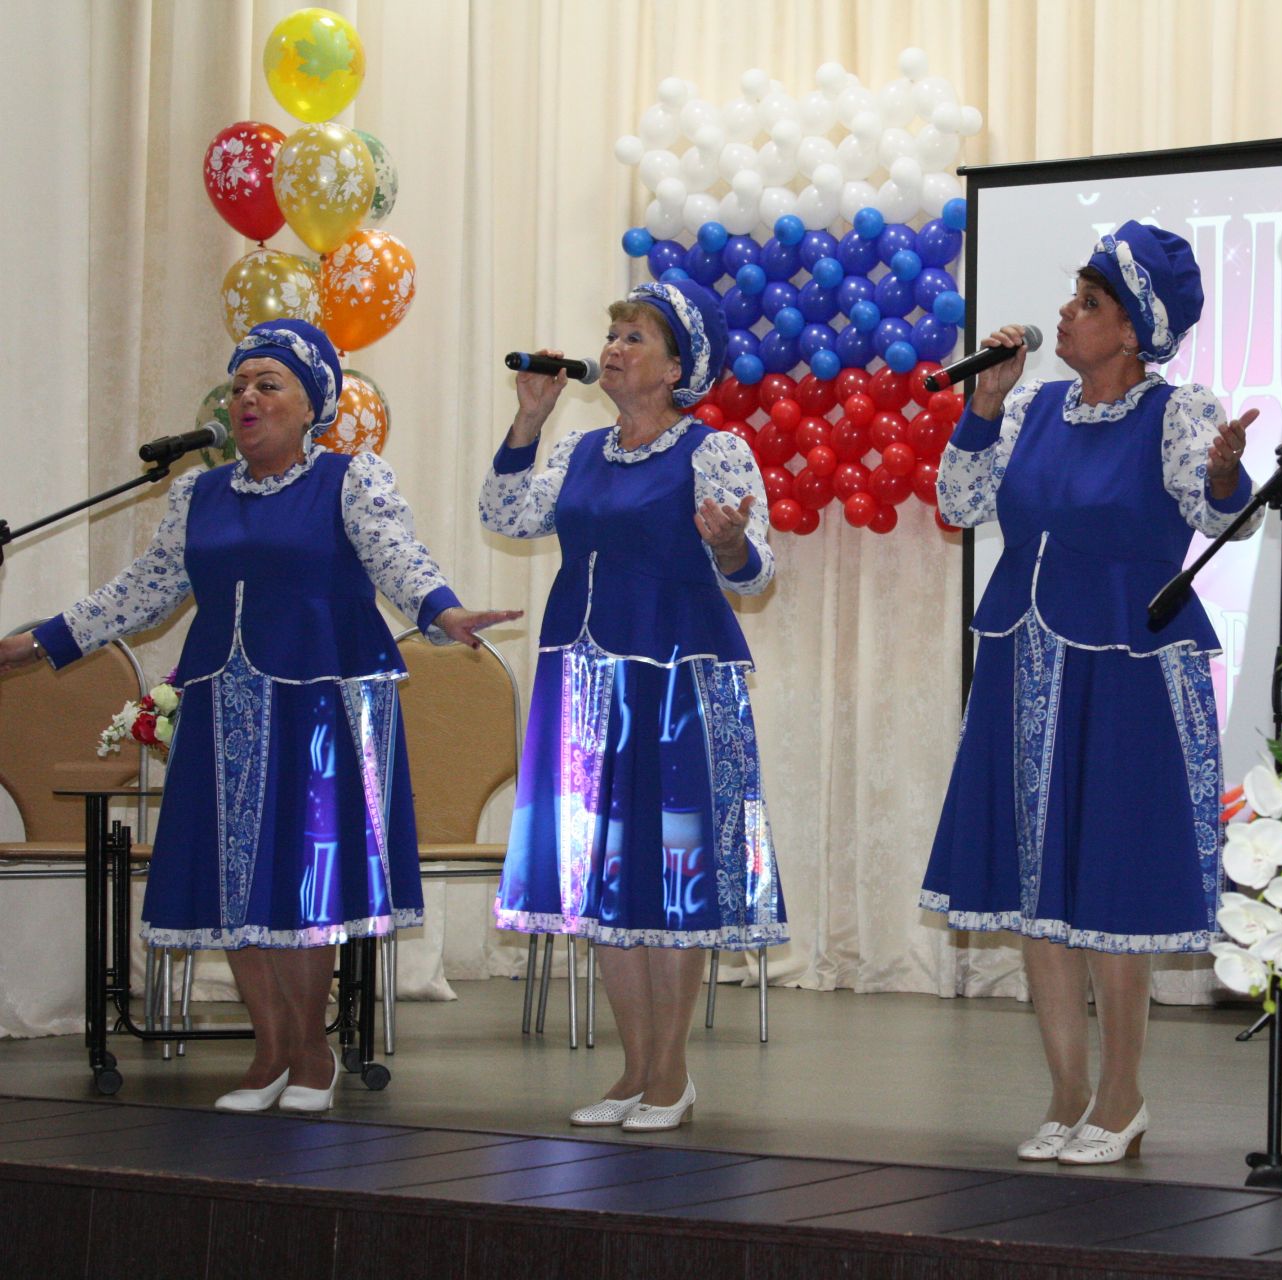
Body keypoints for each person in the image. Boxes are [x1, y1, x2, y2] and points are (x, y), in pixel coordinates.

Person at [0, 319, 517, 1113]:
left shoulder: (352, 480)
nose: (247, 397)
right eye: (239, 384)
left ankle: (311, 1054)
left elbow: (398, 561)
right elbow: (142, 591)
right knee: (233, 881)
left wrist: (445, 614)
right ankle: (268, 1054)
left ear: (311, 403)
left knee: (301, 885)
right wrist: (36, 642)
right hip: (223, 700)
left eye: (267, 384)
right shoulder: (197, 492)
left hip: (320, 704)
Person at [924, 221, 1261, 1165]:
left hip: (1125, 671)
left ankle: (1122, 1094)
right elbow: (958, 502)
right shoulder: (1031, 407)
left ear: (1132, 331)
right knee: (1039, 882)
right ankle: (1067, 1090)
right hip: (1026, 664)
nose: (1066, 317)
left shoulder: (1181, 408)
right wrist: (982, 406)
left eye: (1088, 304)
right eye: (1072, 301)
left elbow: (1212, 507)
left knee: (1113, 885)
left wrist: (1228, 471)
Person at [482, 278, 785, 1133]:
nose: (612, 347)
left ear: (676, 368)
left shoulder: (713, 451)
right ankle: (631, 1069)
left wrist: (730, 546)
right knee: (601, 877)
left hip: (676, 685)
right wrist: (528, 423)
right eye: (611, 332)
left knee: (671, 876)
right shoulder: (580, 450)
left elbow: (759, 571)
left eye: (634, 337)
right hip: (583, 686)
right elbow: (501, 512)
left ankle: (671, 1074)